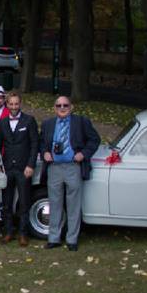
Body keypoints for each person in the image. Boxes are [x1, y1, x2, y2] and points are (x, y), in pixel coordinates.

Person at [40, 96, 100, 251]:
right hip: (54, 167)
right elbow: (41, 143)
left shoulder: (81, 122)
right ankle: (54, 238)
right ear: (54, 108)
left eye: (65, 105)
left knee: (73, 204)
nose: (62, 107)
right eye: (58, 105)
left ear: (71, 107)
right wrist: (45, 152)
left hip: (73, 167)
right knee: (54, 203)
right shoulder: (48, 124)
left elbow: (95, 139)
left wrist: (84, 154)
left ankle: (72, 239)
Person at [0, 92, 39, 246]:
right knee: (7, 202)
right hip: (7, 168)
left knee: (24, 202)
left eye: (16, 104)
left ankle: (23, 233)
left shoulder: (29, 120)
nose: (13, 107)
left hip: (23, 168)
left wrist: (31, 165)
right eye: (11, 104)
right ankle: (8, 231)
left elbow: (35, 144)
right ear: (7, 105)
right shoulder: (2, 122)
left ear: (20, 104)